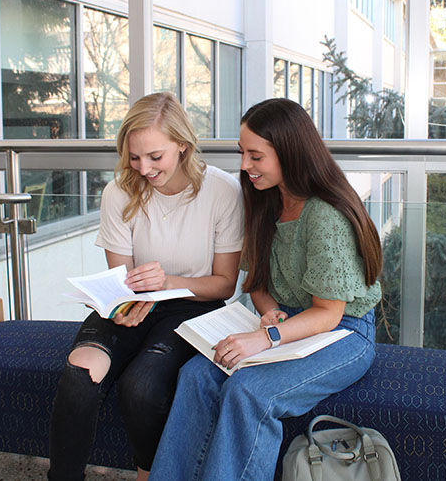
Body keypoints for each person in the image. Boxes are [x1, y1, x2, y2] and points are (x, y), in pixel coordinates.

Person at [149, 98, 383, 481]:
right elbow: (255, 284)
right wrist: (269, 310)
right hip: (285, 321)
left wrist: (267, 336)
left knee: (248, 392)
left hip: (344, 332)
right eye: (243, 153)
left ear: (289, 153)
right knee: (196, 375)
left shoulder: (325, 215)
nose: (244, 166)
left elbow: (329, 313)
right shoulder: (264, 201)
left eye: (255, 156)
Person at [48, 92, 244, 481]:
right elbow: (120, 281)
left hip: (194, 304)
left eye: (156, 157)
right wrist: (123, 303)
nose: (143, 168)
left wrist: (167, 282)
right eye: (134, 157)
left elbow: (223, 285)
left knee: (142, 385)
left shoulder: (222, 191)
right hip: (132, 303)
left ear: (183, 146)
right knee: (80, 373)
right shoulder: (119, 191)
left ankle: (151, 476)